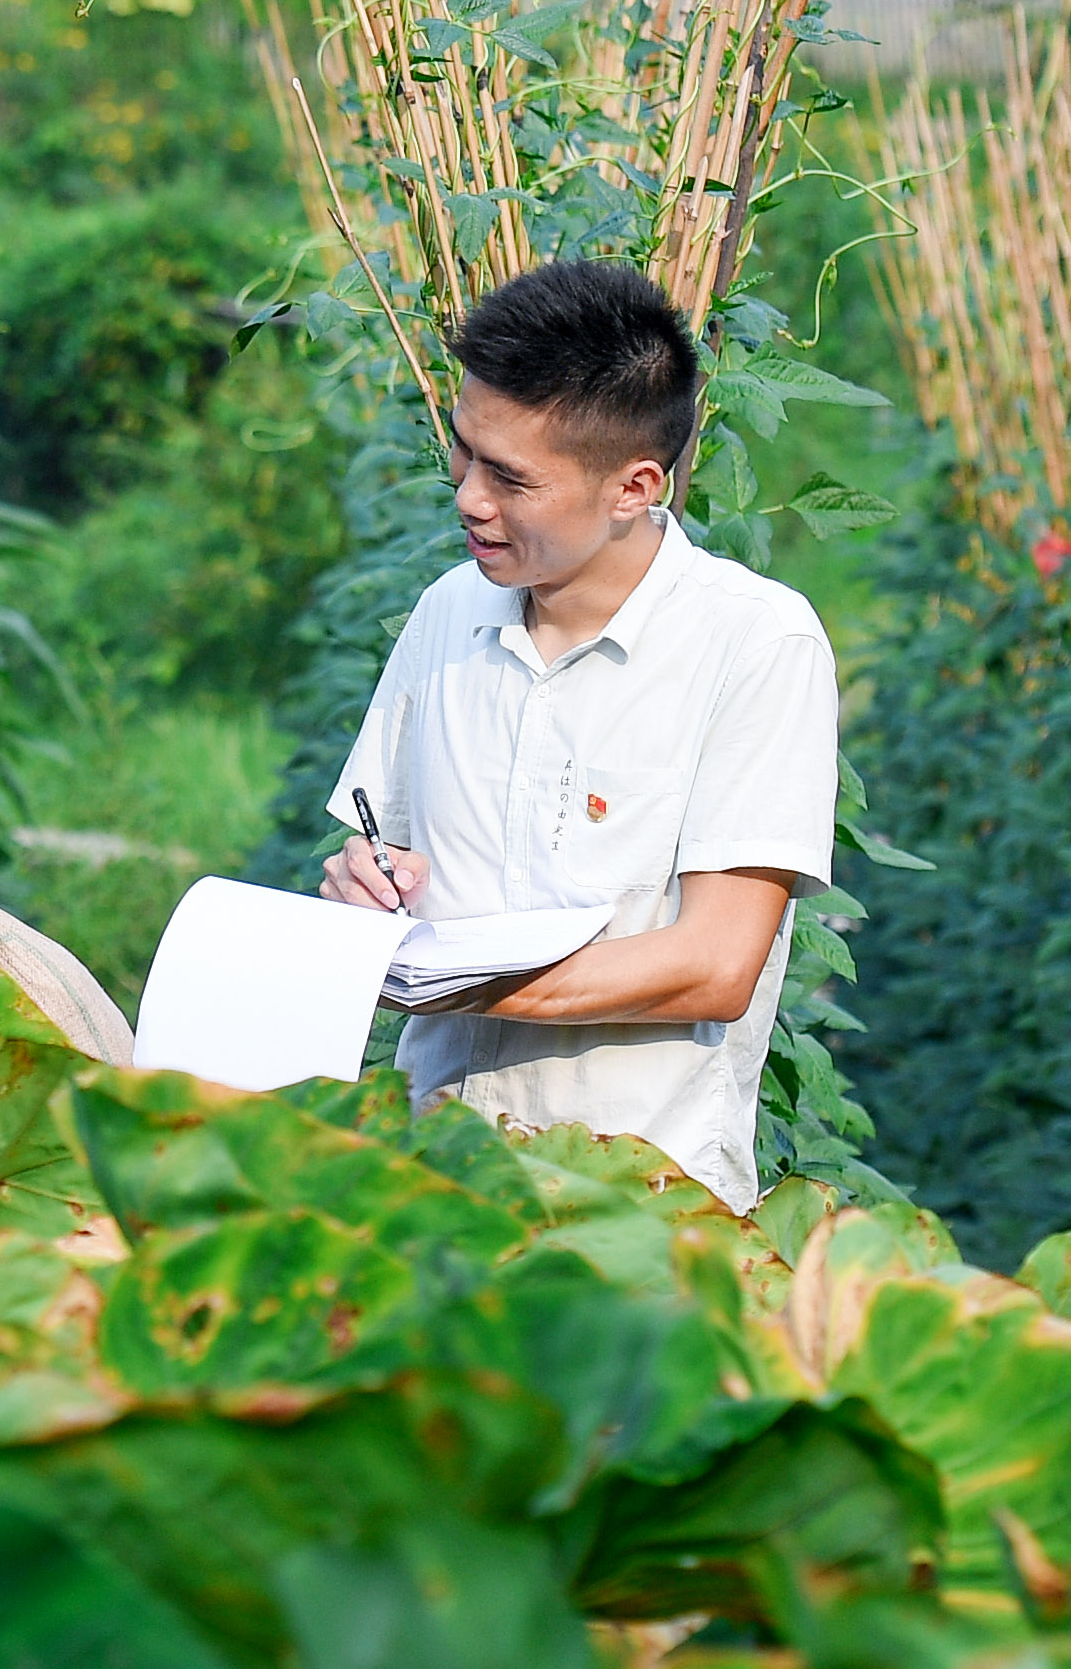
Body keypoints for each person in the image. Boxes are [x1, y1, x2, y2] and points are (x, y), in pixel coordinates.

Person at [319, 258, 839, 1207]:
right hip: (428, 1183)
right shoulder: (448, 612)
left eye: (512, 478)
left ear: (636, 487)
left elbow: (716, 966)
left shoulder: (755, 643)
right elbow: (380, 848)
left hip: (640, 1210)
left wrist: (447, 982)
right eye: (465, 452)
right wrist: (363, 886)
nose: (471, 497)